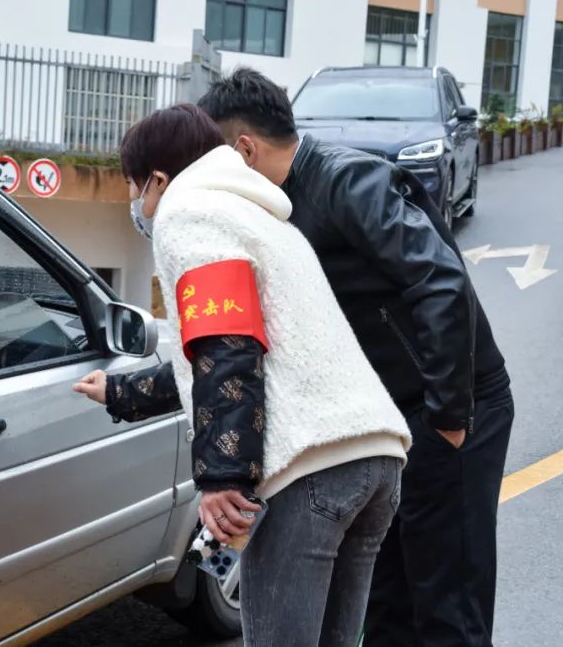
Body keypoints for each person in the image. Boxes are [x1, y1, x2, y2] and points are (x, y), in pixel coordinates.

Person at [194, 69, 513, 647]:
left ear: (244, 149)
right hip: (388, 421)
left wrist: (448, 417)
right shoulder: (274, 213)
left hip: (451, 402)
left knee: (446, 599)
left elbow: (442, 282)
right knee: (388, 601)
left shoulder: (349, 181)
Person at [76, 103, 411, 645]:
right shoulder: (262, 217)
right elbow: (229, 356)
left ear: (158, 179)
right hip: (374, 457)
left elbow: (226, 348)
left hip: (309, 471)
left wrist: (222, 480)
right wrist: (120, 391)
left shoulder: (190, 212)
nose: (136, 202)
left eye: (134, 186)